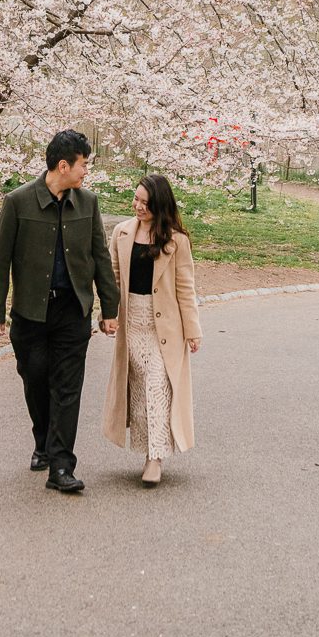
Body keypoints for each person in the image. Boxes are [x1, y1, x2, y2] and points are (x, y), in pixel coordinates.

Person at [0, 130, 120, 494]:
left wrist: (109, 307)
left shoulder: (87, 203)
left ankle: (61, 466)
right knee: (35, 379)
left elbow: (99, 257)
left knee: (67, 388)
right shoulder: (18, 202)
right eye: (83, 164)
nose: (86, 171)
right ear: (64, 165)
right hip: (30, 313)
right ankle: (42, 441)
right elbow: (0, 259)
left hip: (73, 311)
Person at [102, 173, 202, 486]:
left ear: (159, 205)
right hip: (132, 323)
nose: (138, 206)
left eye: (145, 202)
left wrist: (193, 330)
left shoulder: (176, 241)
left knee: (158, 386)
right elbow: (113, 280)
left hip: (165, 329)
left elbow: (186, 288)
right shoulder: (121, 233)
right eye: (136, 199)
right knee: (139, 393)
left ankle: (155, 458)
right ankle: (147, 448)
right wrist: (107, 315)